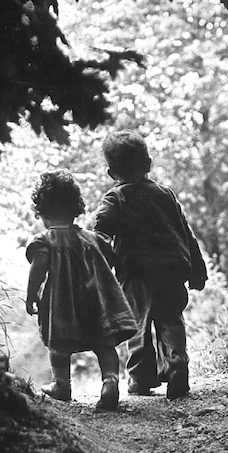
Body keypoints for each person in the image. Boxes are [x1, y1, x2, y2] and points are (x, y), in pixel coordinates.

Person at [93, 130, 207, 401]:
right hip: (172, 269)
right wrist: (197, 267)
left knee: (138, 326)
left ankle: (141, 378)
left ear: (111, 173)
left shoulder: (115, 198)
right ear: (149, 163)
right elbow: (185, 231)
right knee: (170, 319)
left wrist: (104, 260)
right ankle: (177, 364)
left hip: (137, 273)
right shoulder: (165, 194)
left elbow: (100, 231)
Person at [25, 170, 137, 410]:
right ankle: (110, 381)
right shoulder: (91, 238)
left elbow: (38, 269)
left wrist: (31, 294)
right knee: (105, 344)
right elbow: (110, 257)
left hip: (61, 306)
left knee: (58, 346)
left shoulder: (45, 241)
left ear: (42, 212)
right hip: (95, 303)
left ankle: (62, 385)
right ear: (75, 208)